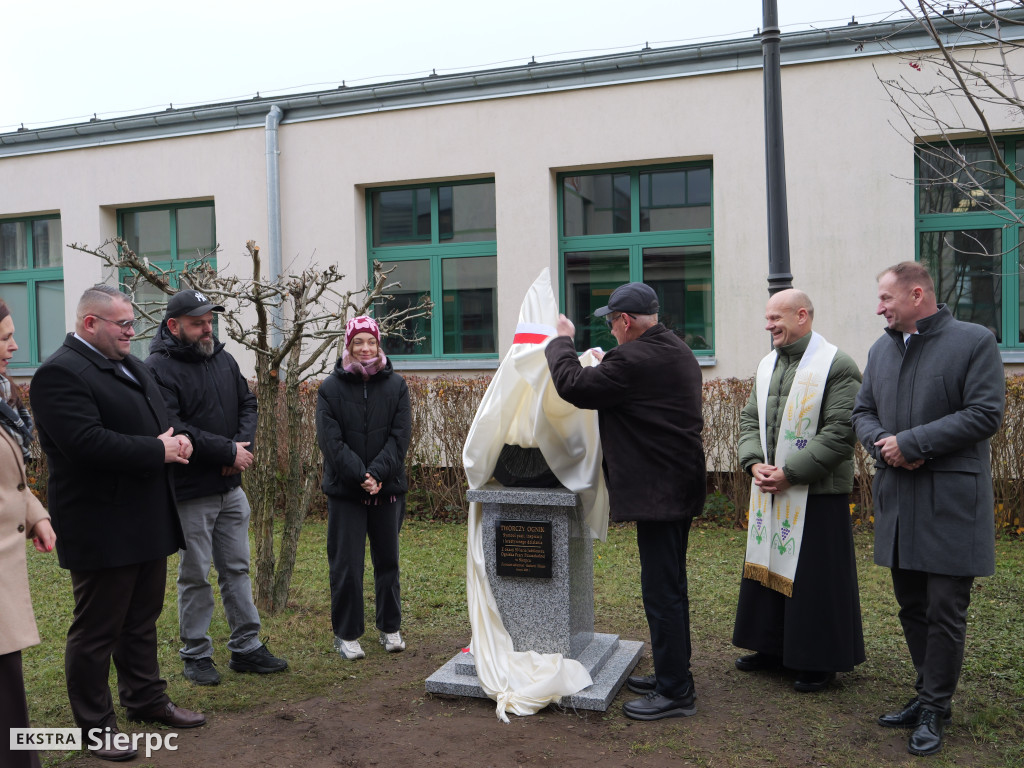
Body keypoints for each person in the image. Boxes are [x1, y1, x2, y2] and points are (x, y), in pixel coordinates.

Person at [30, 285, 206, 762]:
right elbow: (85, 443)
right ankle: (94, 727)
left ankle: (146, 700)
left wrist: (178, 442)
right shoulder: (58, 374)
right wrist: (158, 449)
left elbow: (158, 421)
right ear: (91, 324)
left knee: (141, 620)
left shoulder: (131, 364)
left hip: (145, 515)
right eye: (123, 324)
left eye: (132, 324)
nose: (133, 332)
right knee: (97, 631)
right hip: (100, 523)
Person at [852, 262, 1004, 757]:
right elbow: (862, 411)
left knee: (945, 608)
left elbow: (985, 413)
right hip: (900, 498)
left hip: (951, 502)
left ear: (917, 295)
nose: (879, 308)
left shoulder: (974, 341)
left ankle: (936, 706)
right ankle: (926, 692)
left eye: (886, 299)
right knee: (911, 605)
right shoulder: (880, 349)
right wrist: (882, 444)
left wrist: (913, 442)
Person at [544, 282, 705, 721]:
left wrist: (561, 340)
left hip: (661, 494)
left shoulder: (633, 358)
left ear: (626, 321)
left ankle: (676, 692)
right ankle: (675, 676)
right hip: (676, 487)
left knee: (663, 592)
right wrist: (605, 363)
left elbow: (572, 384)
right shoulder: (675, 348)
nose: (612, 332)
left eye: (612, 323)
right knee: (669, 585)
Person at [145, 289, 287, 686]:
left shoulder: (222, 359)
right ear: (173, 326)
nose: (207, 328)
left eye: (210, 320)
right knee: (195, 574)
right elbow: (172, 426)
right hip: (191, 491)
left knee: (237, 568)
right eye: (197, 323)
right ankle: (196, 653)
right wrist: (226, 451)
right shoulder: (156, 368)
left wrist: (239, 448)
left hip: (230, 488)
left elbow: (248, 404)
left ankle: (246, 647)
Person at [731, 289, 865, 693]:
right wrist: (754, 463)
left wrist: (791, 474)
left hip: (818, 493)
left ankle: (818, 661)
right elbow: (749, 419)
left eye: (776, 317)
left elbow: (841, 432)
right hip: (770, 485)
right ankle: (769, 647)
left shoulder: (838, 366)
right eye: (768, 318)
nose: (768, 325)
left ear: (802, 315)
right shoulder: (768, 364)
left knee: (815, 580)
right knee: (767, 567)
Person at [316, 316, 411, 660]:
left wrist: (378, 474)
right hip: (347, 491)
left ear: (379, 344)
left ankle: (390, 627)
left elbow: (400, 438)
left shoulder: (396, 386)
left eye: (371, 341)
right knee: (347, 564)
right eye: (358, 342)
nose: (365, 348)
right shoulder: (330, 388)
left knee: (388, 561)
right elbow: (330, 441)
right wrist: (361, 476)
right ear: (348, 346)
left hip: (388, 489)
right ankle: (347, 633)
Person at [0, 300, 57, 768]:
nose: (15, 345)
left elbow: (9, 480)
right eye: (4, 338)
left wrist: (36, 514)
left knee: (7, 684)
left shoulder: (4, 396)